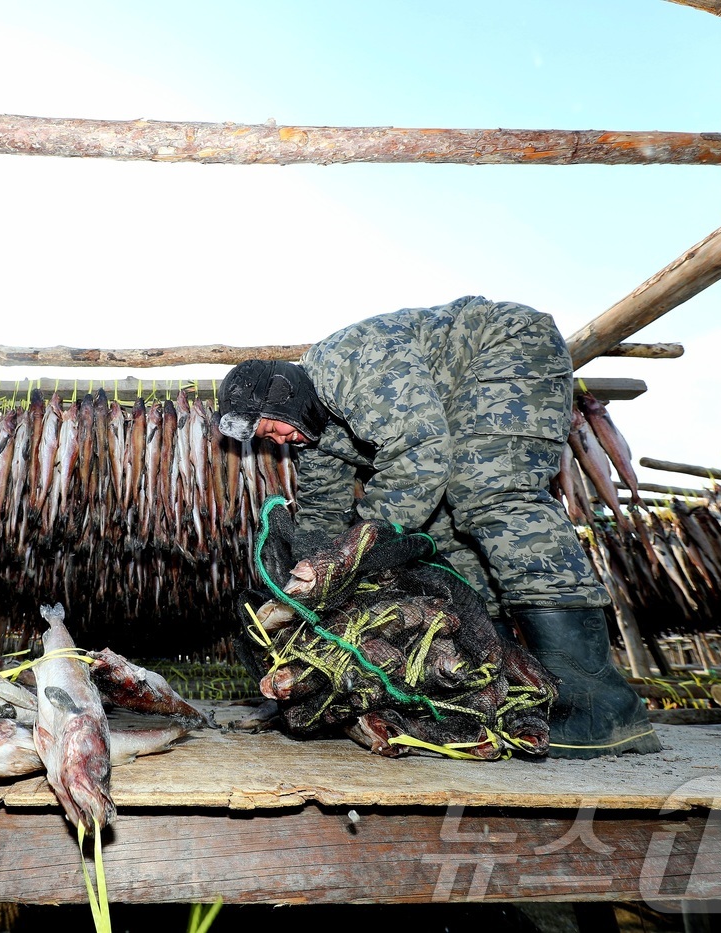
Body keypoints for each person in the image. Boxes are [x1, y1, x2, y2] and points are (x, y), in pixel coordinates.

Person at [217, 295, 660, 760]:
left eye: (274, 429)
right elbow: (322, 516)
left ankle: (599, 703)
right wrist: (304, 580)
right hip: (451, 410)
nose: (279, 441)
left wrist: (357, 550)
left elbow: (420, 456)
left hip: (504, 351)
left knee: (493, 489)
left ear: (286, 393)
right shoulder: (316, 436)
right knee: (444, 542)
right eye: (268, 441)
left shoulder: (348, 365)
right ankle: (516, 691)